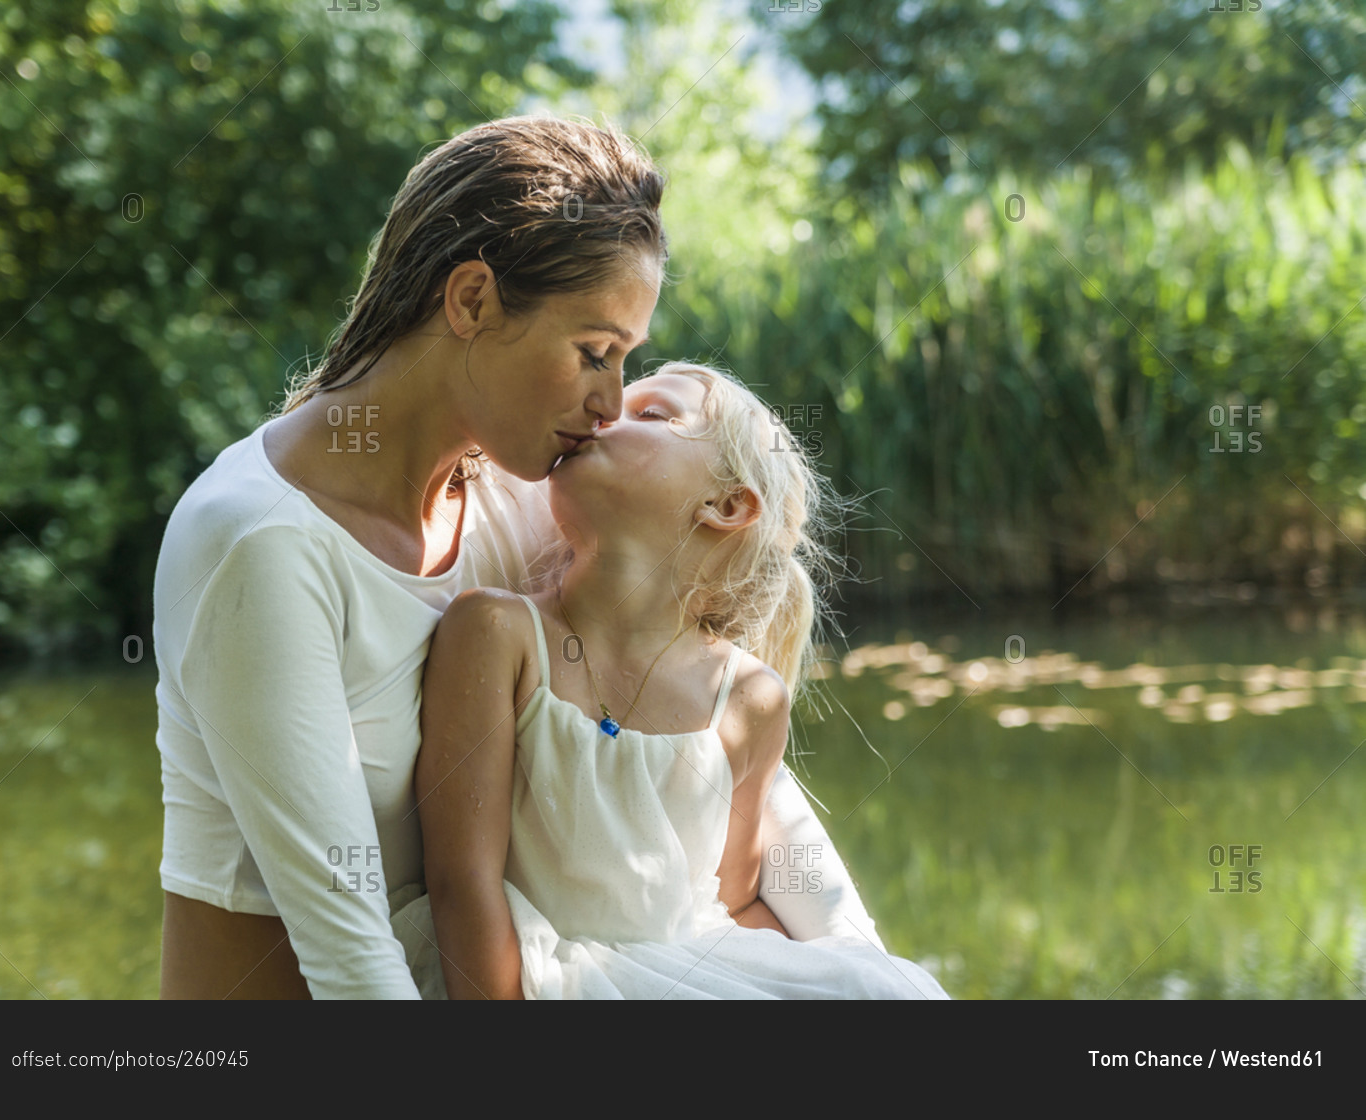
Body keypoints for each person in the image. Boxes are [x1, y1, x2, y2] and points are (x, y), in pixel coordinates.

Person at [153, 116, 886, 1000]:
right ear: (470, 302)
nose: (611, 402)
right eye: (595, 353)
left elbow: (711, 750)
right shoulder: (260, 544)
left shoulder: (526, 494)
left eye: (627, 364)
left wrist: (860, 970)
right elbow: (352, 961)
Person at [395, 362, 949, 999]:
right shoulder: (497, 632)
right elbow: (462, 881)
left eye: (651, 413)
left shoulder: (749, 700)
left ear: (727, 504)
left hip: (690, 964)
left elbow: (732, 896)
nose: (602, 413)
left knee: (881, 990)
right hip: (545, 975)